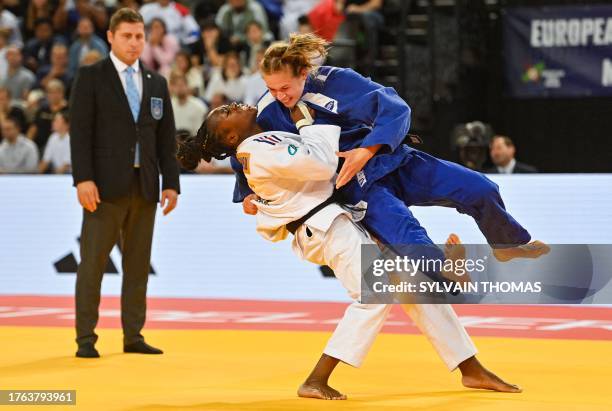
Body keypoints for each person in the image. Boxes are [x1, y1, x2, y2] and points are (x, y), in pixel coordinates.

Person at [177, 102, 522, 399]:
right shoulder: (260, 148)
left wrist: (254, 194)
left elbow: (294, 170)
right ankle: (316, 379)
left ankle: (470, 368)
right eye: (226, 113)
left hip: (334, 218)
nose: (233, 106)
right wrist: (305, 121)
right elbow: (321, 165)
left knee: (415, 289)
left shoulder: (259, 145)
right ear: (231, 136)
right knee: (375, 294)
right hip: (324, 227)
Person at [232, 33, 550, 265]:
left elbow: (395, 108)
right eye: (271, 88)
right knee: (407, 234)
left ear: (303, 72)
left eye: (285, 87)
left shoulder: (335, 82)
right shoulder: (268, 110)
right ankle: (446, 270)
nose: (279, 95)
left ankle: (507, 243)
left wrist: (367, 150)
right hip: (357, 187)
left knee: (480, 188)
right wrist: (247, 191)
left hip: (392, 158)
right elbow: (245, 151)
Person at [69, 7, 180, 359]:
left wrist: (171, 182)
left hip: (144, 186)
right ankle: (85, 339)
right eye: (128, 36)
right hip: (103, 186)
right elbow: (80, 133)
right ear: (111, 38)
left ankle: (133, 335)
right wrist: (82, 179)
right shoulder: (91, 77)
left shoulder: (156, 82)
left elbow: (165, 139)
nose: (135, 42)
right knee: (92, 265)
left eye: (139, 36)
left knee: (137, 266)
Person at [38, 109, 71, 174]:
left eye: (56, 121)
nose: (53, 123)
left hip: (70, 175)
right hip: (57, 174)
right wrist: (36, 174)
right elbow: (45, 161)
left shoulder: (71, 138)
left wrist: (54, 176)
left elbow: (67, 165)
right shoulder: (53, 138)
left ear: (66, 124)